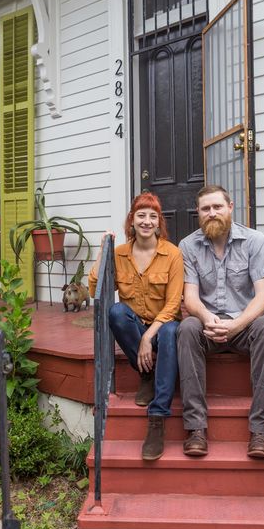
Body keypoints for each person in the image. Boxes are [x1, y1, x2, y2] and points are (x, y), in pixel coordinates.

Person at [177, 185, 264, 459]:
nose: (212, 213)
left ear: (230, 207)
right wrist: (206, 317)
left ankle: (261, 431)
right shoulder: (188, 246)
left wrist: (236, 325)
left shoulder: (254, 241)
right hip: (208, 325)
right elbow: (190, 297)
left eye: (217, 207)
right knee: (186, 327)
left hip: (245, 325)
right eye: (205, 209)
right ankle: (196, 429)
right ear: (198, 213)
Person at [88, 192, 184, 461]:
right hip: (136, 329)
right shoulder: (120, 255)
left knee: (169, 330)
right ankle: (146, 376)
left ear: (158, 222)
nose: (146, 221)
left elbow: (174, 305)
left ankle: (157, 418)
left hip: (161, 328)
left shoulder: (172, 254)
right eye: (141, 215)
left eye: (152, 216)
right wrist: (102, 251)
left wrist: (147, 338)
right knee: (117, 311)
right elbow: (96, 290)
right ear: (132, 220)